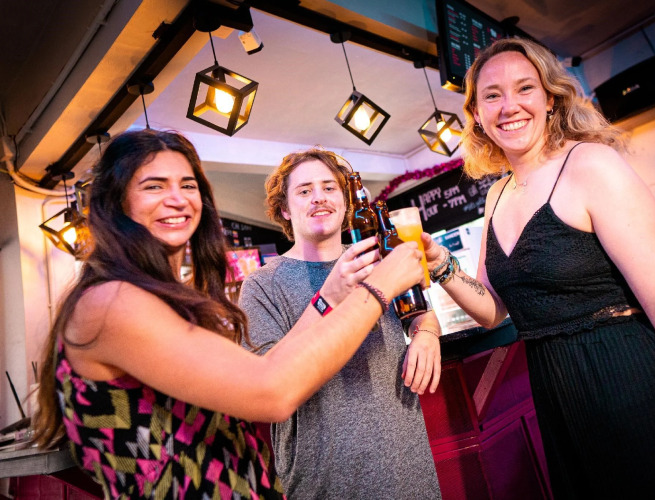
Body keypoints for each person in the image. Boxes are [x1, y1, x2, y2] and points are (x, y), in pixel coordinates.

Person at [420, 37, 655, 499]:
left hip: (635, 386)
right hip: (561, 400)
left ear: (550, 98)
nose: (509, 106)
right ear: (476, 114)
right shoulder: (497, 195)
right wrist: (441, 263)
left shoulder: (590, 164)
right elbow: (494, 311)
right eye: (492, 95)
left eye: (525, 88)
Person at [32, 129, 426, 499]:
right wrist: (378, 289)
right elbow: (272, 391)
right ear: (116, 203)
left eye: (188, 185)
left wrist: (334, 302)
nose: (177, 198)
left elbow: (268, 367)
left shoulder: (156, 297)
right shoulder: (111, 302)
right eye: (154, 186)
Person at [238, 147, 442, 499]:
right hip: (326, 481)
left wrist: (425, 333)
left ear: (347, 201)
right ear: (285, 209)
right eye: (304, 190)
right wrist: (327, 298)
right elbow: (263, 380)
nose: (319, 197)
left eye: (329, 187)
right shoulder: (261, 285)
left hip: (409, 467)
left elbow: (421, 311)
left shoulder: (379, 258)